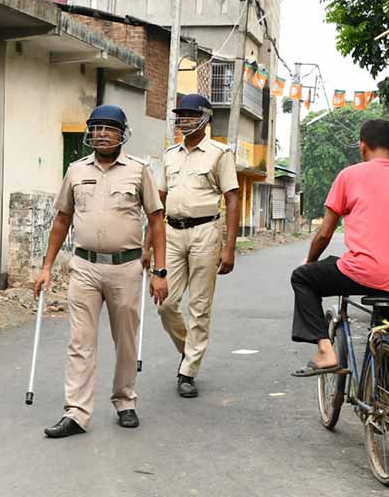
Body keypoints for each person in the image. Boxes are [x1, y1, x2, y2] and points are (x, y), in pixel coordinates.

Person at [34, 104, 169, 438]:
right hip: (84, 268)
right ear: (89, 133)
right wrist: (46, 267)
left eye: (109, 128)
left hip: (126, 268)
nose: (102, 134)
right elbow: (62, 219)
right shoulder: (76, 171)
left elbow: (156, 220)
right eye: (96, 128)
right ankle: (76, 413)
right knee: (80, 341)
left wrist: (160, 271)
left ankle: (125, 401)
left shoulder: (139, 171)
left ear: (122, 134)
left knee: (125, 340)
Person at [290, 119, 389, 377]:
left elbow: (325, 234)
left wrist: (310, 261)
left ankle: (325, 351)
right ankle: (386, 393)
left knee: (302, 278)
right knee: (385, 330)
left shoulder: (350, 175)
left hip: (364, 272)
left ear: (362, 146)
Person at [143, 94, 239, 398]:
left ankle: (188, 372)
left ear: (205, 118)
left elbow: (233, 199)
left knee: (199, 306)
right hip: (172, 232)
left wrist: (230, 247)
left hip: (206, 232)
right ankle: (190, 352)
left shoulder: (219, 153)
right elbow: (157, 201)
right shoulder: (170, 154)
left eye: (189, 114)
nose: (183, 119)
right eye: (180, 114)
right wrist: (146, 245)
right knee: (167, 302)